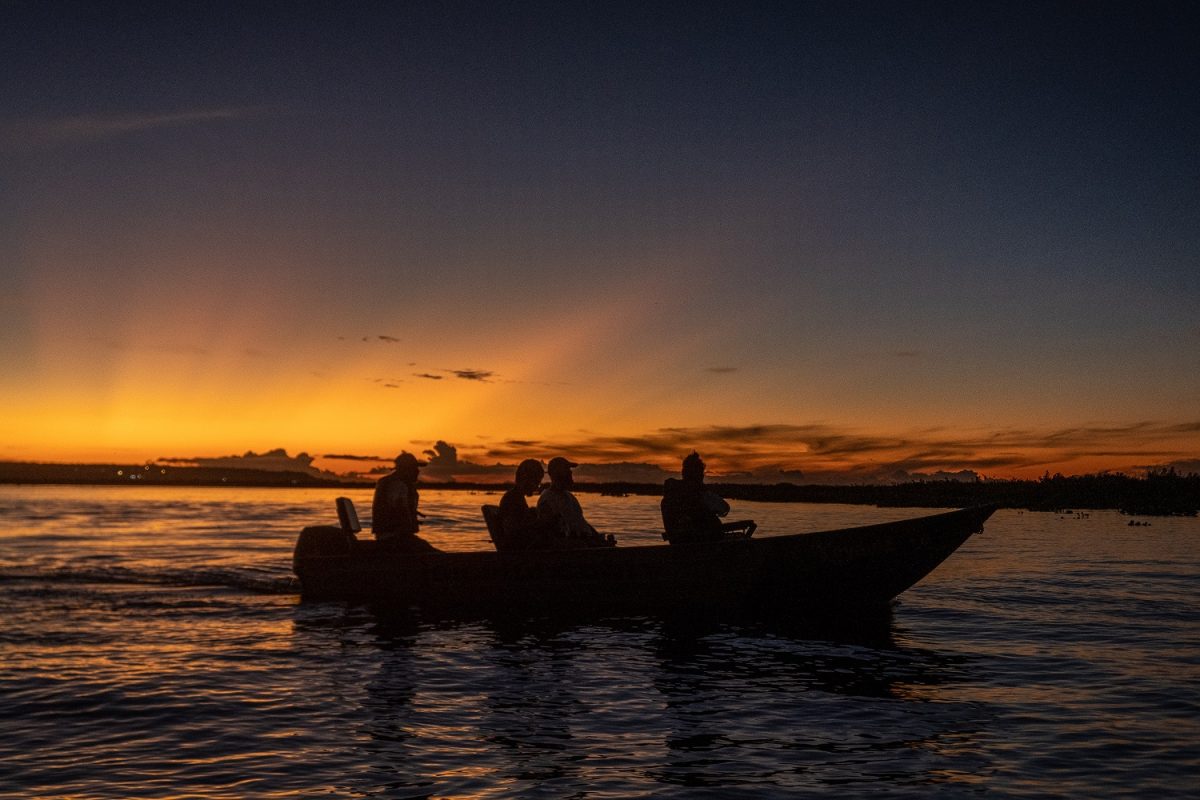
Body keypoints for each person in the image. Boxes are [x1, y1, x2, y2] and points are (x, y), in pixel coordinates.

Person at [660, 451, 756, 544]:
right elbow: (724, 509)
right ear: (698, 475)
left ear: (684, 473)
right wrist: (704, 493)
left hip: (683, 548)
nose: (702, 477)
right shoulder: (701, 495)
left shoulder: (670, 497)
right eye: (701, 474)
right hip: (707, 546)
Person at [537, 456, 615, 547]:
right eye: (567, 471)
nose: (571, 473)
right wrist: (587, 544)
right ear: (558, 474)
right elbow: (552, 536)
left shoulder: (569, 496)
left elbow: (580, 521)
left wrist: (599, 538)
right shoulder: (547, 500)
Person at [372, 452, 438, 552]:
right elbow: (399, 510)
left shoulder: (392, 483)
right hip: (394, 540)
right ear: (405, 469)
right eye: (414, 468)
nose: (417, 471)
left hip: (390, 537)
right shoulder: (398, 485)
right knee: (430, 552)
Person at [497, 458, 558, 550]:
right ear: (526, 479)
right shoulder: (512, 499)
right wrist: (541, 523)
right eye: (536, 483)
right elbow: (515, 532)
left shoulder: (516, 497)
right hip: (518, 552)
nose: (537, 487)